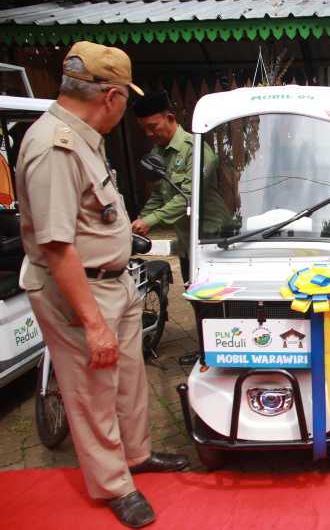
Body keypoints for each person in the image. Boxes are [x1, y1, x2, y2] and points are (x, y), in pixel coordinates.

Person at [15, 41, 188, 528]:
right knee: (92, 389)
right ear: (111, 96)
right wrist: (92, 323)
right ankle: (113, 483)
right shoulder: (55, 146)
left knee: (129, 379)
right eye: (125, 102)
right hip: (79, 291)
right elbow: (57, 247)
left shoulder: (83, 137)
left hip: (113, 282)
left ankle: (136, 455)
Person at [131, 91, 227, 285]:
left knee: (216, 302)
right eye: (144, 129)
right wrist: (140, 221)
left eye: (153, 126)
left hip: (213, 240)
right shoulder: (158, 153)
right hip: (187, 244)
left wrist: (152, 220)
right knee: (193, 296)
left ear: (170, 118)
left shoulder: (196, 150)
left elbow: (190, 196)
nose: (149, 134)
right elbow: (159, 193)